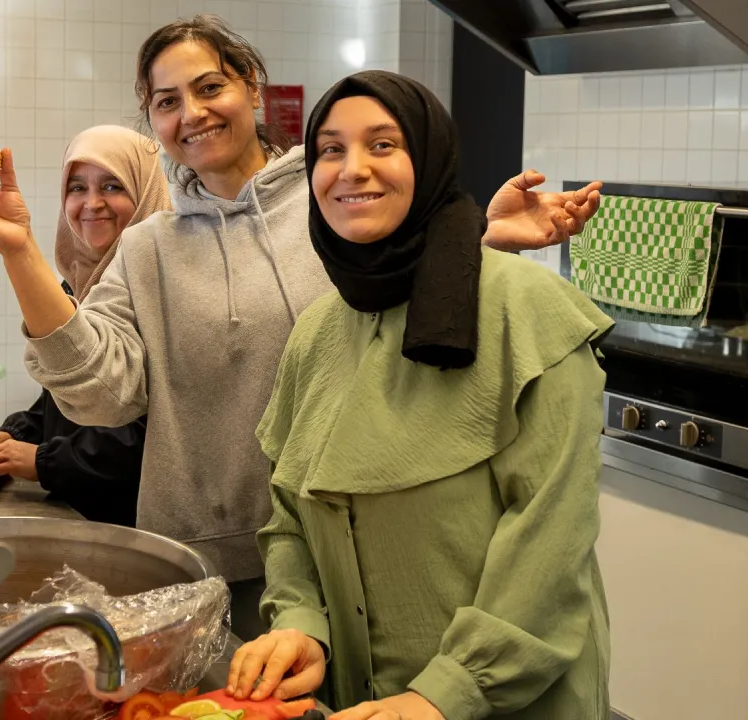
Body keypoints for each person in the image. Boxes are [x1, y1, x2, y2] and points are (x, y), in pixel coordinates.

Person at [0, 15, 603, 641]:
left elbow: (412, 317)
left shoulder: (336, 201)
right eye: (166, 102)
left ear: (251, 87)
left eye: (209, 87)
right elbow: (101, 396)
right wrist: (17, 250)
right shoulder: (146, 250)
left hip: (358, 551)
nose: (191, 113)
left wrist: (483, 246)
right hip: (204, 561)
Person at [224, 71, 612, 719]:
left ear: (429, 160)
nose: (352, 170)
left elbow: (549, 542)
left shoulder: (528, 312)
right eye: (330, 149)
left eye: (382, 145)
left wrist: (443, 696)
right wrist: (300, 622)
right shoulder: (319, 332)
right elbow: (289, 514)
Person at [0, 125, 171, 528]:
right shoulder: (75, 284)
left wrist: (42, 460)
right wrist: (14, 436)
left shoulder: (167, 287)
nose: (92, 203)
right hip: (78, 516)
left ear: (146, 191)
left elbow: (155, 428)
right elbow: (61, 400)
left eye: (112, 186)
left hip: (141, 526)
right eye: (77, 188)